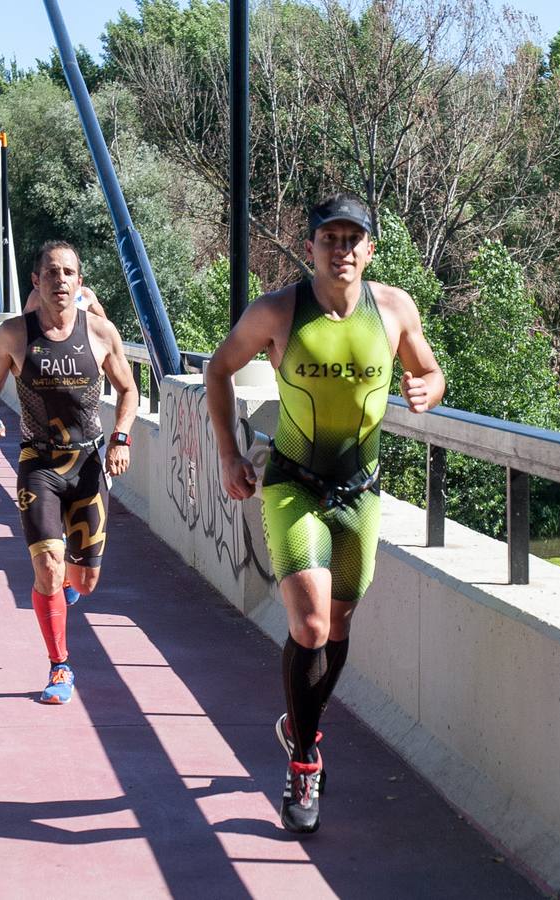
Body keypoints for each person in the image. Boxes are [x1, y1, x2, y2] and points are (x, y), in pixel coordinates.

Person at [204, 193, 445, 835]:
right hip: (292, 484)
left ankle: (299, 722)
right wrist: (230, 453)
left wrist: (428, 387)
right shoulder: (279, 311)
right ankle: (304, 763)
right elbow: (220, 369)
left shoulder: (393, 309)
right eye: (329, 239)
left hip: (360, 490)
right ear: (310, 246)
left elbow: (429, 368)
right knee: (309, 623)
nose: (341, 250)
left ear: (370, 248)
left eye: (352, 239)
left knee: (338, 625)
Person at [0, 240, 138, 705]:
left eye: (69, 272)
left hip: (87, 463)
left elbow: (129, 392)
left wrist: (121, 438)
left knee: (83, 582)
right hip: (39, 462)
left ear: (79, 282)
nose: (60, 281)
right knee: (47, 566)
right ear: (36, 281)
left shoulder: (101, 333)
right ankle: (60, 667)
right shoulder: (13, 335)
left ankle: (65, 586)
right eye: (51, 272)